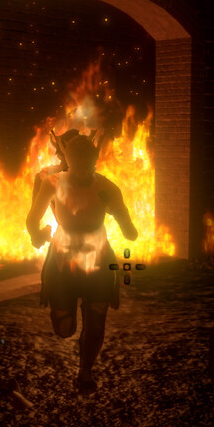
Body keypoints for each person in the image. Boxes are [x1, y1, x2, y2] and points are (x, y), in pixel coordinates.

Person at [25, 128, 138, 393]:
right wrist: (37, 234)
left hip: (98, 262)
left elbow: (131, 234)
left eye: (88, 165)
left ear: (95, 160)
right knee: (65, 328)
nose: (83, 171)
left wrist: (118, 211)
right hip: (62, 263)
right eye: (78, 164)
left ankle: (85, 372)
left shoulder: (107, 187)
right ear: (68, 160)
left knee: (96, 323)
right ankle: (64, 318)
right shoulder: (52, 182)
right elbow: (31, 219)